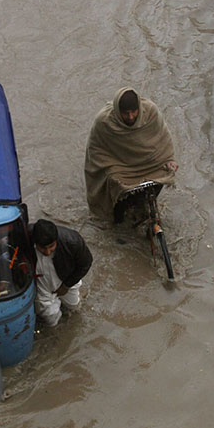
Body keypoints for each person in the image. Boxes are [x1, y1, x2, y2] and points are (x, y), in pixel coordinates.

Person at [84, 87, 178, 222]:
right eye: (125, 113)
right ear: (117, 111)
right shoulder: (104, 121)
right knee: (115, 185)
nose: (131, 117)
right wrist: (107, 170)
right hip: (120, 164)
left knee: (163, 174)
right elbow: (96, 149)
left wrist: (169, 159)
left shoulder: (150, 112)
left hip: (149, 162)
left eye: (134, 111)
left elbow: (162, 138)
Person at [29, 219, 93, 327]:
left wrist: (66, 285)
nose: (47, 252)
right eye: (42, 248)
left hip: (66, 278)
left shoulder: (73, 242)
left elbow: (85, 264)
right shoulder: (25, 237)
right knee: (50, 317)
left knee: (73, 306)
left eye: (51, 247)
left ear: (57, 240)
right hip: (42, 282)